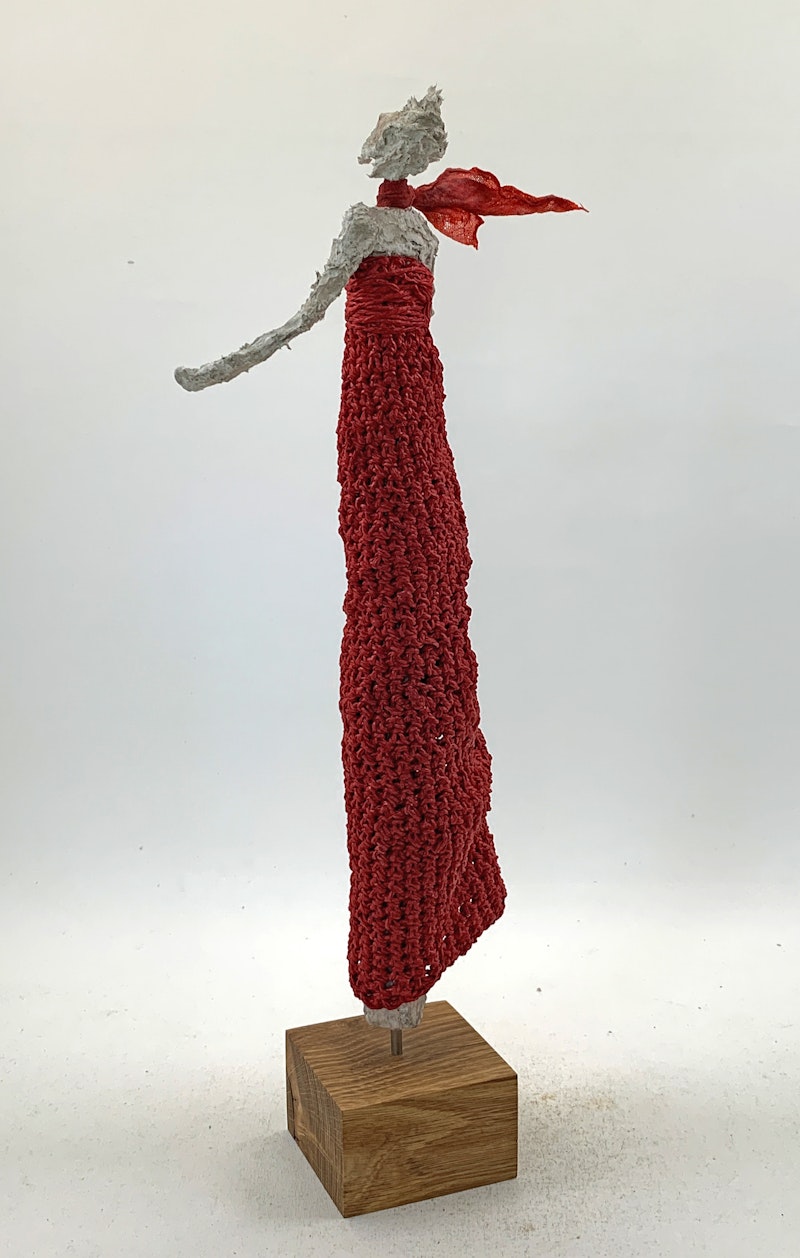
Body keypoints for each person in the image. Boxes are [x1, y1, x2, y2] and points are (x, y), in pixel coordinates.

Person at [175, 87, 583, 1036]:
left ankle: (436, 912)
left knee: (431, 571)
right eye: (400, 139)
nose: (399, 151)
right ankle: (396, 958)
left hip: (416, 394)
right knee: (396, 587)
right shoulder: (369, 224)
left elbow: (327, 313)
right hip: (375, 402)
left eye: (409, 140)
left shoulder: (423, 228)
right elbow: (308, 312)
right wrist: (224, 366)